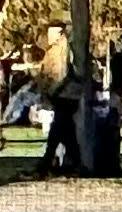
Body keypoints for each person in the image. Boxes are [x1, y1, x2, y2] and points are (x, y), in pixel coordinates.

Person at [36, 24, 86, 176]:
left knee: (58, 130)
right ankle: (74, 163)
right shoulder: (56, 50)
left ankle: (47, 164)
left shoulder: (62, 49)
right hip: (65, 95)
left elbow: (62, 74)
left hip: (65, 95)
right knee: (65, 131)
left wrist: (52, 91)